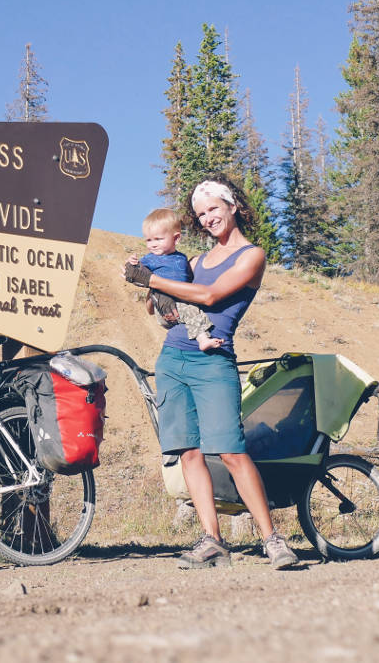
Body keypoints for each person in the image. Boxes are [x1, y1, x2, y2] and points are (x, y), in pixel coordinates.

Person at [123, 175, 299, 570]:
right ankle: (212, 541)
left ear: (233, 206)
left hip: (214, 363)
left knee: (232, 452)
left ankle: (272, 539)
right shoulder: (193, 261)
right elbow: (161, 305)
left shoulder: (252, 256)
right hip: (172, 360)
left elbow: (210, 296)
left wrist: (150, 279)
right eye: (201, 214)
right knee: (188, 452)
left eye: (213, 209)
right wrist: (154, 294)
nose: (207, 219)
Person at [139, 207, 221, 352]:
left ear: (176, 238)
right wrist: (132, 264)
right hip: (165, 307)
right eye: (149, 240)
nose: (152, 244)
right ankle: (203, 339)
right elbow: (138, 272)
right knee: (191, 310)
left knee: (191, 308)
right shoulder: (150, 259)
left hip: (179, 302)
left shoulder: (181, 258)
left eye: (158, 239)